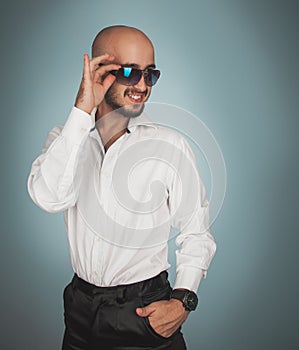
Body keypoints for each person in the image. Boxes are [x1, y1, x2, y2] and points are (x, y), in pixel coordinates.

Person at [27, 25, 217, 350]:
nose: (142, 85)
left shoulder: (169, 145)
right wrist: (82, 110)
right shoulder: (66, 140)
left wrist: (182, 300)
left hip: (143, 309)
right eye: (130, 72)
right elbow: (49, 198)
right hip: (79, 311)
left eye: (150, 74)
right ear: (100, 72)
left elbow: (197, 232)